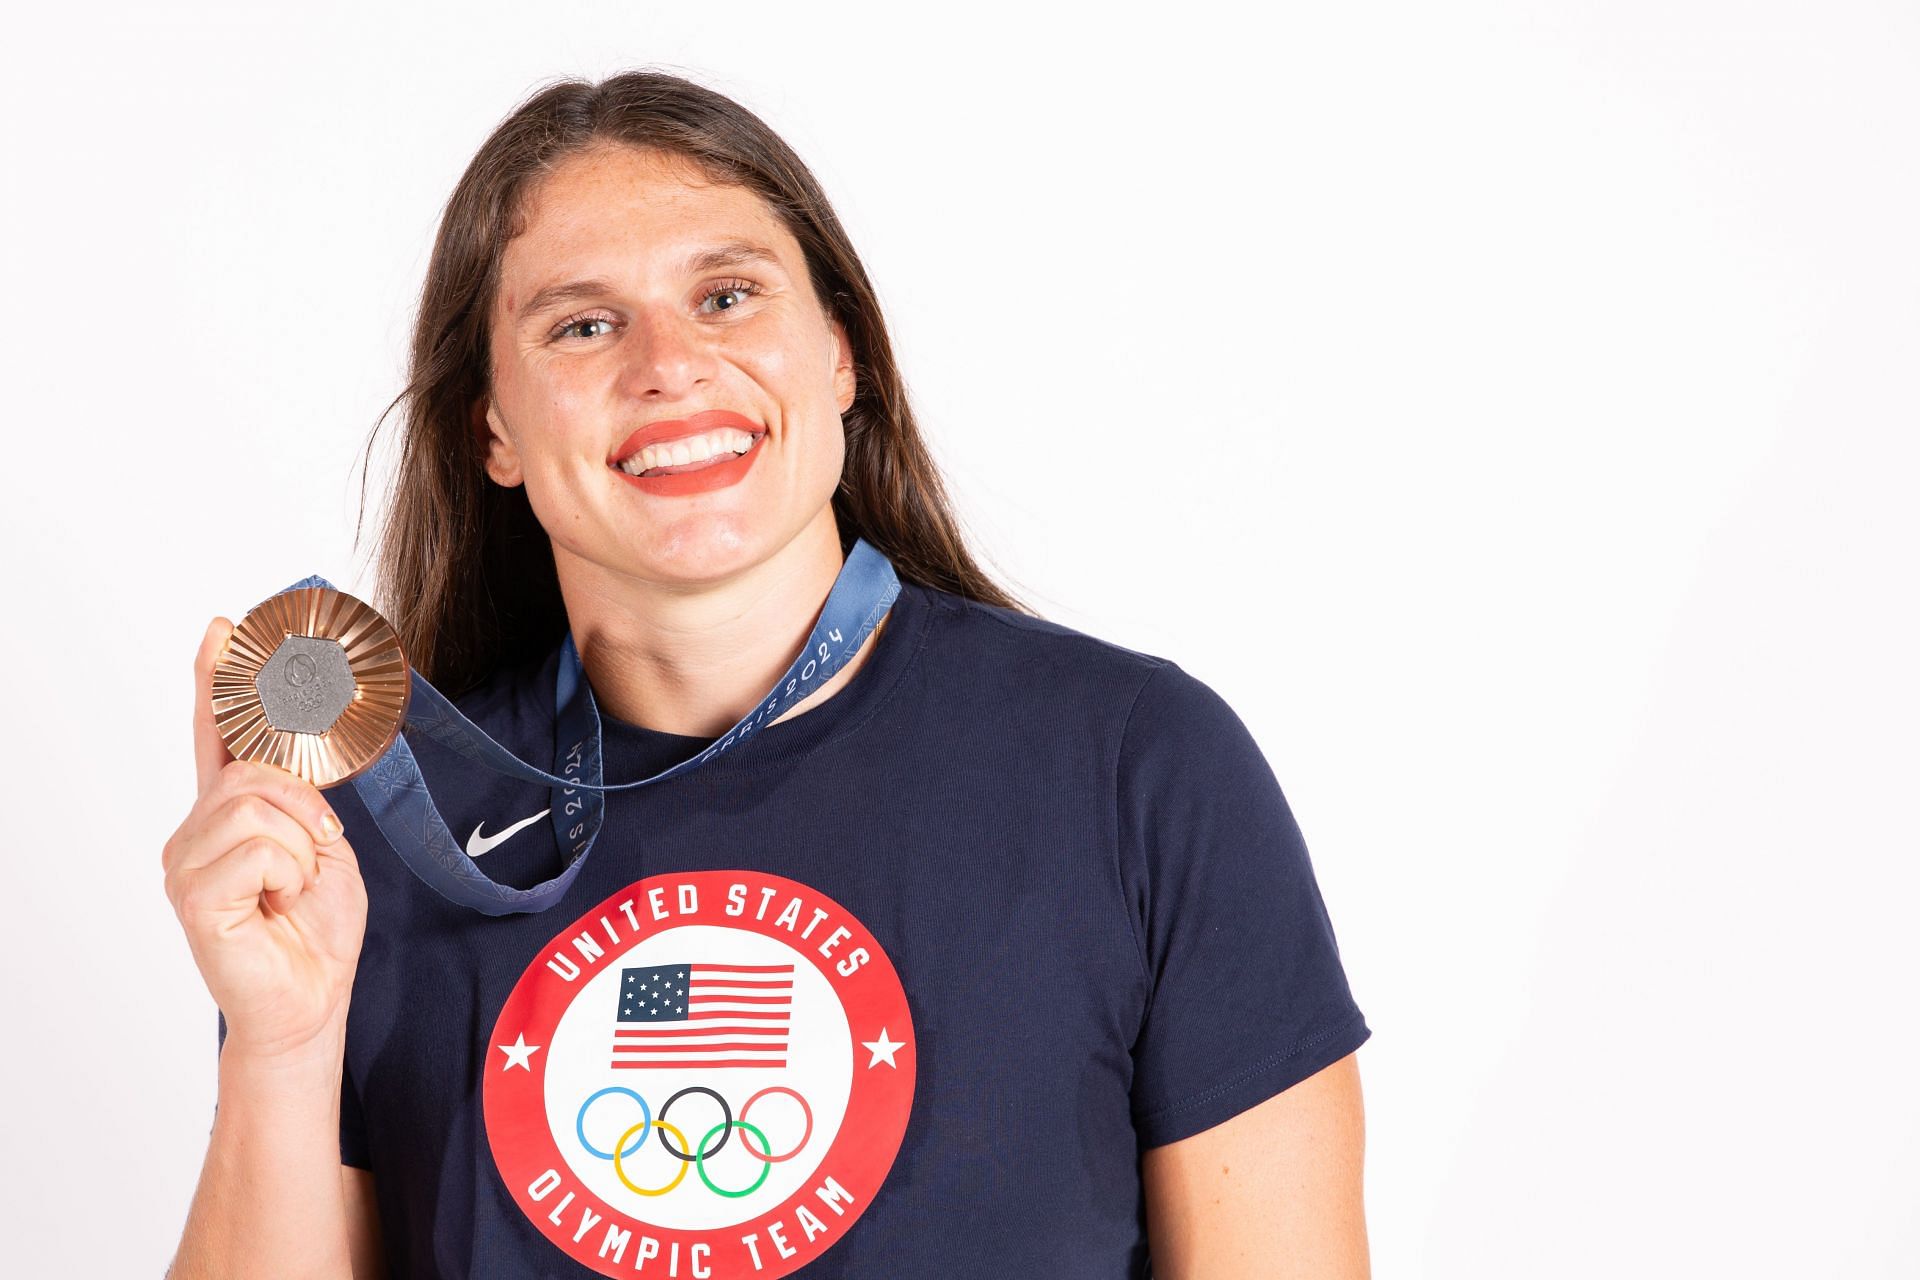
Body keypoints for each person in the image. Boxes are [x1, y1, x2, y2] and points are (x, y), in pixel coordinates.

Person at [162, 69, 1372, 1279]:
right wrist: (280, 1044)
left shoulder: (1136, 769)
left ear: (840, 354)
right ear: (494, 430)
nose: (671, 365)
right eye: (584, 325)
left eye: (728, 296)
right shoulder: (366, 844)